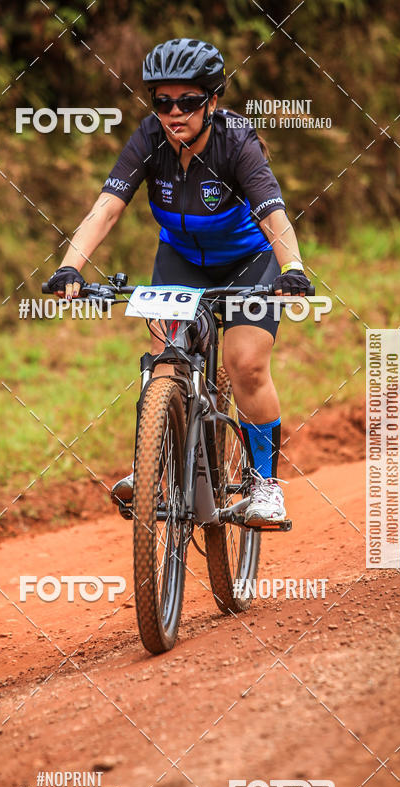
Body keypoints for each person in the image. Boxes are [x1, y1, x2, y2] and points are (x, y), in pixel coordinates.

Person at [45, 38, 312, 525]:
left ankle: (265, 485)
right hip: (182, 260)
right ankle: (153, 465)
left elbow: (273, 213)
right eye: (162, 101)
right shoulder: (148, 139)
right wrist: (71, 267)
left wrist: (292, 269)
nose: (174, 113)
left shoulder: (237, 143)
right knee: (165, 359)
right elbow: (106, 208)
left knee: (245, 363)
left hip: (248, 262)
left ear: (212, 101)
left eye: (187, 102)